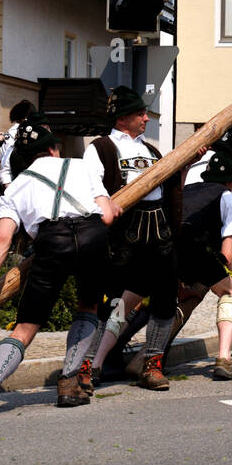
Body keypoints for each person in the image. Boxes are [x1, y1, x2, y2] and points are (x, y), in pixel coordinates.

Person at [0, 119, 120, 417]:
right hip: (92, 237)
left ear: (21, 160)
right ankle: (69, 385)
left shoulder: (17, 187)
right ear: (53, 150)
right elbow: (107, 216)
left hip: (52, 243)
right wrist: (114, 207)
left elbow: (1, 238)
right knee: (88, 307)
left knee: (26, 325)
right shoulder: (81, 166)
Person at [84, 87, 183, 391]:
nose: (145, 118)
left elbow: (171, 191)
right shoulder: (101, 148)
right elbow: (93, 190)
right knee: (113, 303)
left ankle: (151, 365)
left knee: (165, 301)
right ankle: (89, 365)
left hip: (159, 232)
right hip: (123, 235)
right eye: (140, 113)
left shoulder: (152, 151)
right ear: (123, 117)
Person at [177, 151, 232, 380]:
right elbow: (227, 255)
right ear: (231, 182)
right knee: (230, 292)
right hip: (198, 251)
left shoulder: (187, 190)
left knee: (134, 299)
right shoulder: (227, 197)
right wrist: (227, 273)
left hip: (169, 252)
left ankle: (96, 363)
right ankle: (224, 359)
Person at [0, 99, 35, 191]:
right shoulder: (14, 134)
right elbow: (5, 166)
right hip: (17, 185)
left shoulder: (10, 133)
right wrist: (10, 192)